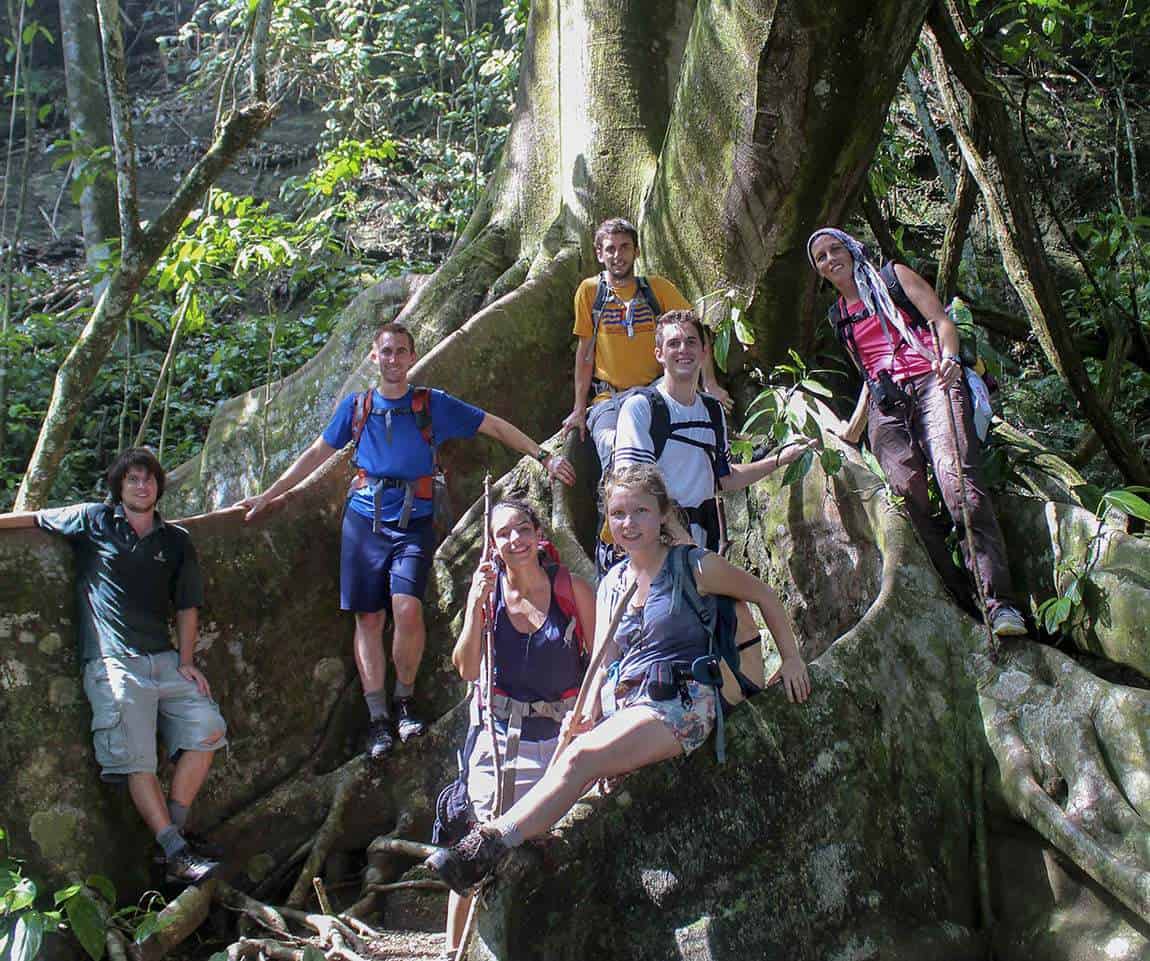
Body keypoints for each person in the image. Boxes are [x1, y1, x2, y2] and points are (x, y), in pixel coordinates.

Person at [425, 464, 811, 896]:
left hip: (683, 704)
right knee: (576, 753)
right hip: (630, 708)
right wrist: (586, 714)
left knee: (578, 759)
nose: (629, 524)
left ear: (663, 513)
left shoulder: (696, 566)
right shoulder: (612, 584)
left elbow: (765, 595)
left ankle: (486, 845)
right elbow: (604, 664)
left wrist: (792, 658)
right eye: (618, 514)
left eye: (640, 511)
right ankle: (502, 848)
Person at [237, 321, 577, 759]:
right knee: (368, 619)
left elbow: (492, 425)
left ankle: (404, 700)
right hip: (363, 523)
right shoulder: (357, 408)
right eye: (386, 351)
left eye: (401, 351)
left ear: (412, 357)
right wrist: (271, 494)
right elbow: (316, 453)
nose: (394, 359)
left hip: (414, 521)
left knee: (407, 608)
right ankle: (377, 718)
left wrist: (543, 455)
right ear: (374, 358)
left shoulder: (429, 405)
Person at [0, 448, 226, 883]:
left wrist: (186, 662)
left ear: (158, 486)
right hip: (113, 662)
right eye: (132, 480)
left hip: (162, 660)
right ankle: (176, 849)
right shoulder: (93, 520)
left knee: (208, 729)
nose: (141, 486)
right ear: (119, 487)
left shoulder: (175, 541)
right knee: (134, 752)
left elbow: (187, 606)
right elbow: (35, 519)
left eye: (148, 479)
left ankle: (172, 841)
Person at [806, 227, 1026, 636]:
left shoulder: (893, 277)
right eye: (820, 256)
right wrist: (852, 428)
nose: (830, 258)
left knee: (958, 483)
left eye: (835, 248)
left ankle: (999, 603)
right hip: (889, 405)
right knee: (908, 500)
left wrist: (949, 359)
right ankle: (964, 603)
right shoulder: (839, 316)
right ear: (817, 269)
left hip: (932, 381)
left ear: (852, 249)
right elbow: (869, 372)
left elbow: (941, 320)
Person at [440, 499, 596, 955]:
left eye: (523, 528)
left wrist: (591, 716)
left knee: (542, 847)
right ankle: (453, 952)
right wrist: (472, 608)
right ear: (493, 545)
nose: (516, 540)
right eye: (504, 533)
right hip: (498, 742)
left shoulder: (572, 590)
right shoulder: (488, 598)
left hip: (559, 743)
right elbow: (468, 670)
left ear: (538, 532)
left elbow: (600, 661)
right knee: (480, 844)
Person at [561, 218, 731, 475]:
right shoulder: (590, 292)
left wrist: (710, 384)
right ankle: (616, 513)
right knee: (617, 456)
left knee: (663, 454)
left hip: (654, 393)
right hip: (609, 399)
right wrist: (579, 408)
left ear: (636, 251)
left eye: (625, 247)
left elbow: (695, 331)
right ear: (599, 254)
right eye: (610, 248)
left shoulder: (657, 288)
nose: (618, 255)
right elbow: (585, 354)